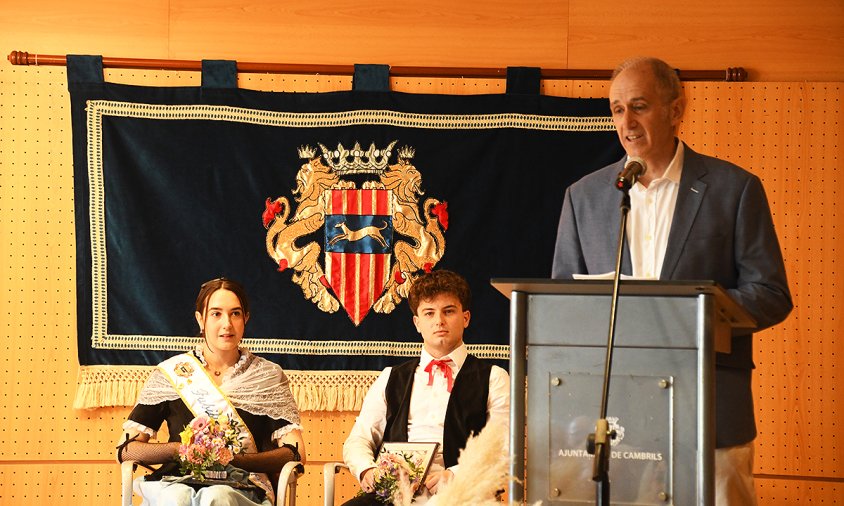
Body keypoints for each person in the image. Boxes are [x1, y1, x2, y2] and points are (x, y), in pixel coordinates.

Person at [551, 56, 793, 505]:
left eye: (639, 106)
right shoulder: (584, 197)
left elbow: (771, 294)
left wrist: (690, 314)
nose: (627, 122)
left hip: (711, 408)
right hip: (616, 414)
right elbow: (563, 303)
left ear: (676, 110)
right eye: (617, 109)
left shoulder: (734, 189)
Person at [116, 277, 306, 506]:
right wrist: (179, 450)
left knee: (216, 497)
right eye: (216, 314)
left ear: (246, 318)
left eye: (235, 313)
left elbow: (295, 453)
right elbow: (126, 450)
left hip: (243, 487)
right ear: (200, 319)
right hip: (177, 483)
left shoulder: (267, 376)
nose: (227, 324)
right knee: (176, 498)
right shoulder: (172, 373)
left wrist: (234, 460)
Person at [341, 270, 510, 505]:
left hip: (463, 493)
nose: (439, 321)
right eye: (429, 313)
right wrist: (367, 470)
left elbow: (503, 449)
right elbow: (359, 439)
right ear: (417, 323)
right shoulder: (390, 377)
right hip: (394, 494)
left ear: (466, 318)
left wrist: (455, 476)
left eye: (448, 311)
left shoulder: (494, 378)